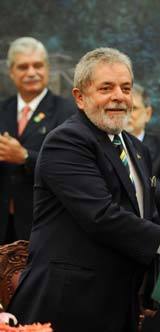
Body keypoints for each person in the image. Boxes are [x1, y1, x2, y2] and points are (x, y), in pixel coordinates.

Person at [8, 48, 160, 332]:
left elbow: (147, 216)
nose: (119, 96)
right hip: (69, 304)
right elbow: (101, 216)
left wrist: (148, 288)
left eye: (126, 88)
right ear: (80, 97)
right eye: (106, 88)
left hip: (121, 301)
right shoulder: (67, 141)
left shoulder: (136, 149)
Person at [0, 37, 75, 244]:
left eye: (38, 65)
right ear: (11, 72)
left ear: (47, 68)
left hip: (46, 223)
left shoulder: (67, 111)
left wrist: (25, 157)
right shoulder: (2, 109)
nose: (31, 73)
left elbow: (69, 166)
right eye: (23, 67)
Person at [127, 83, 160, 332]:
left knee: (156, 323)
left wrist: (133, 178)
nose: (127, 115)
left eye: (134, 109)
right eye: (123, 109)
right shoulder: (102, 147)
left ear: (147, 113)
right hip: (116, 245)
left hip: (157, 248)